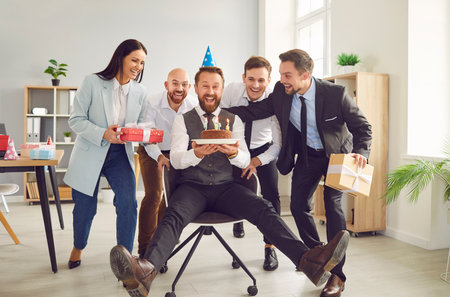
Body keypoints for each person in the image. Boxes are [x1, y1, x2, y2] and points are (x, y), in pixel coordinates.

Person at [109, 66, 350, 297]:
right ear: (196, 88)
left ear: (222, 89)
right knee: (173, 215)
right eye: (205, 86)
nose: (210, 92)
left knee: (263, 208)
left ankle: (307, 261)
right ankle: (145, 271)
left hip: (227, 188)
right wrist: (197, 154)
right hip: (192, 187)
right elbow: (178, 160)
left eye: (215, 86)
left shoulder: (233, 120)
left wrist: (233, 153)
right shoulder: (183, 120)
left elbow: (245, 158)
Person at [226, 49, 372, 297]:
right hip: (307, 155)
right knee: (297, 206)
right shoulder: (282, 95)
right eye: (281, 74)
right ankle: (318, 255)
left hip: (337, 156)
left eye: (287, 75)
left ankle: (338, 275)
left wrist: (361, 153)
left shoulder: (335, 93)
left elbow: (363, 127)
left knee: (332, 204)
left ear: (305, 75)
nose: (281, 80)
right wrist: (215, 109)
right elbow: (254, 111)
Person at [63, 39, 149, 269]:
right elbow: (76, 120)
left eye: (141, 63)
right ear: (120, 57)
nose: (138, 66)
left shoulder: (140, 92)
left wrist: (143, 134)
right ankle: (78, 246)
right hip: (90, 150)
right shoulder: (92, 82)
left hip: (120, 154)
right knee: (85, 206)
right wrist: (103, 133)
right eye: (134, 60)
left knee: (128, 203)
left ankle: (125, 260)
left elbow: (140, 125)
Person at [220, 56, 282, 271]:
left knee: (271, 195)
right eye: (251, 79)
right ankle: (238, 223)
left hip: (263, 149)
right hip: (235, 148)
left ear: (269, 80)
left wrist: (256, 161)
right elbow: (220, 120)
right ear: (243, 78)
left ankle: (270, 246)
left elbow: (278, 144)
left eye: (261, 80)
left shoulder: (275, 100)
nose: (256, 85)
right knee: (235, 192)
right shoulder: (231, 91)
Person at [137, 68, 197, 257]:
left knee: (171, 196)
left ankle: (160, 242)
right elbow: (147, 137)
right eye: (175, 83)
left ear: (189, 87)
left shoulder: (194, 105)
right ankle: (145, 249)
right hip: (151, 149)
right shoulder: (152, 102)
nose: (179, 88)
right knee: (155, 193)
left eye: (184, 84)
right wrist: (159, 156)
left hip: (177, 151)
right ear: (166, 85)